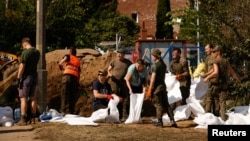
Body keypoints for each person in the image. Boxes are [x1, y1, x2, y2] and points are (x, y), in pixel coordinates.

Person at [146, 49, 177, 128]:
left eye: (152, 55)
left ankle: (160, 122)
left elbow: (153, 78)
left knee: (158, 105)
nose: (152, 57)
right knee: (166, 104)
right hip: (163, 86)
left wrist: (150, 89)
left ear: (155, 56)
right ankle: (172, 120)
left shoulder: (155, 66)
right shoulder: (163, 64)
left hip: (156, 88)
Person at [210, 45, 241, 121]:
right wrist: (237, 79)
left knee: (212, 98)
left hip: (217, 83)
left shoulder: (215, 61)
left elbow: (215, 72)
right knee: (222, 100)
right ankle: (223, 117)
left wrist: (207, 77)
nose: (213, 53)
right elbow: (232, 71)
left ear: (218, 52)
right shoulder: (225, 61)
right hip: (224, 83)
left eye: (214, 51)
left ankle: (215, 115)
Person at [16, 37, 40, 125]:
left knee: (23, 98)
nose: (23, 47)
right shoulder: (37, 52)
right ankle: (33, 118)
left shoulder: (25, 53)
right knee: (33, 98)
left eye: (23, 45)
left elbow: (22, 66)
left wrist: (18, 78)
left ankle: (23, 120)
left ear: (25, 43)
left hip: (26, 78)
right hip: (35, 77)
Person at [107, 48, 132, 121]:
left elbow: (132, 69)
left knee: (124, 98)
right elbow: (108, 69)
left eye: (121, 54)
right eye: (118, 53)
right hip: (114, 82)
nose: (119, 55)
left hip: (123, 82)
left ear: (124, 55)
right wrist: (111, 75)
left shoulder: (128, 62)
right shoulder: (114, 61)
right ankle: (113, 115)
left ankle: (123, 115)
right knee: (115, 97)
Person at [58, 47, 81, 115]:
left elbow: (61, 62)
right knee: (72, 95)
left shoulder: (68, 56)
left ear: (70, 52)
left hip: (67, 77)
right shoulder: (78, 60)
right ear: (75, 53)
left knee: (64, 94)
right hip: (74, 78)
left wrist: (61, 67)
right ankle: (71, 111)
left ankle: (63, 111)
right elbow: (79, 72)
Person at [203, 46, 220, 117]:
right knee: (215, 97)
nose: (205, 50)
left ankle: (208, 114)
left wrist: (207, 76)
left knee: (209, 98)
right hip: (213, 79)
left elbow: (214, 70)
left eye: (207, 49)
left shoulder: (213, 58)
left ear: (211, 49)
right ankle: (216, 114)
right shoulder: (208, 58)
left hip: (213, 79)